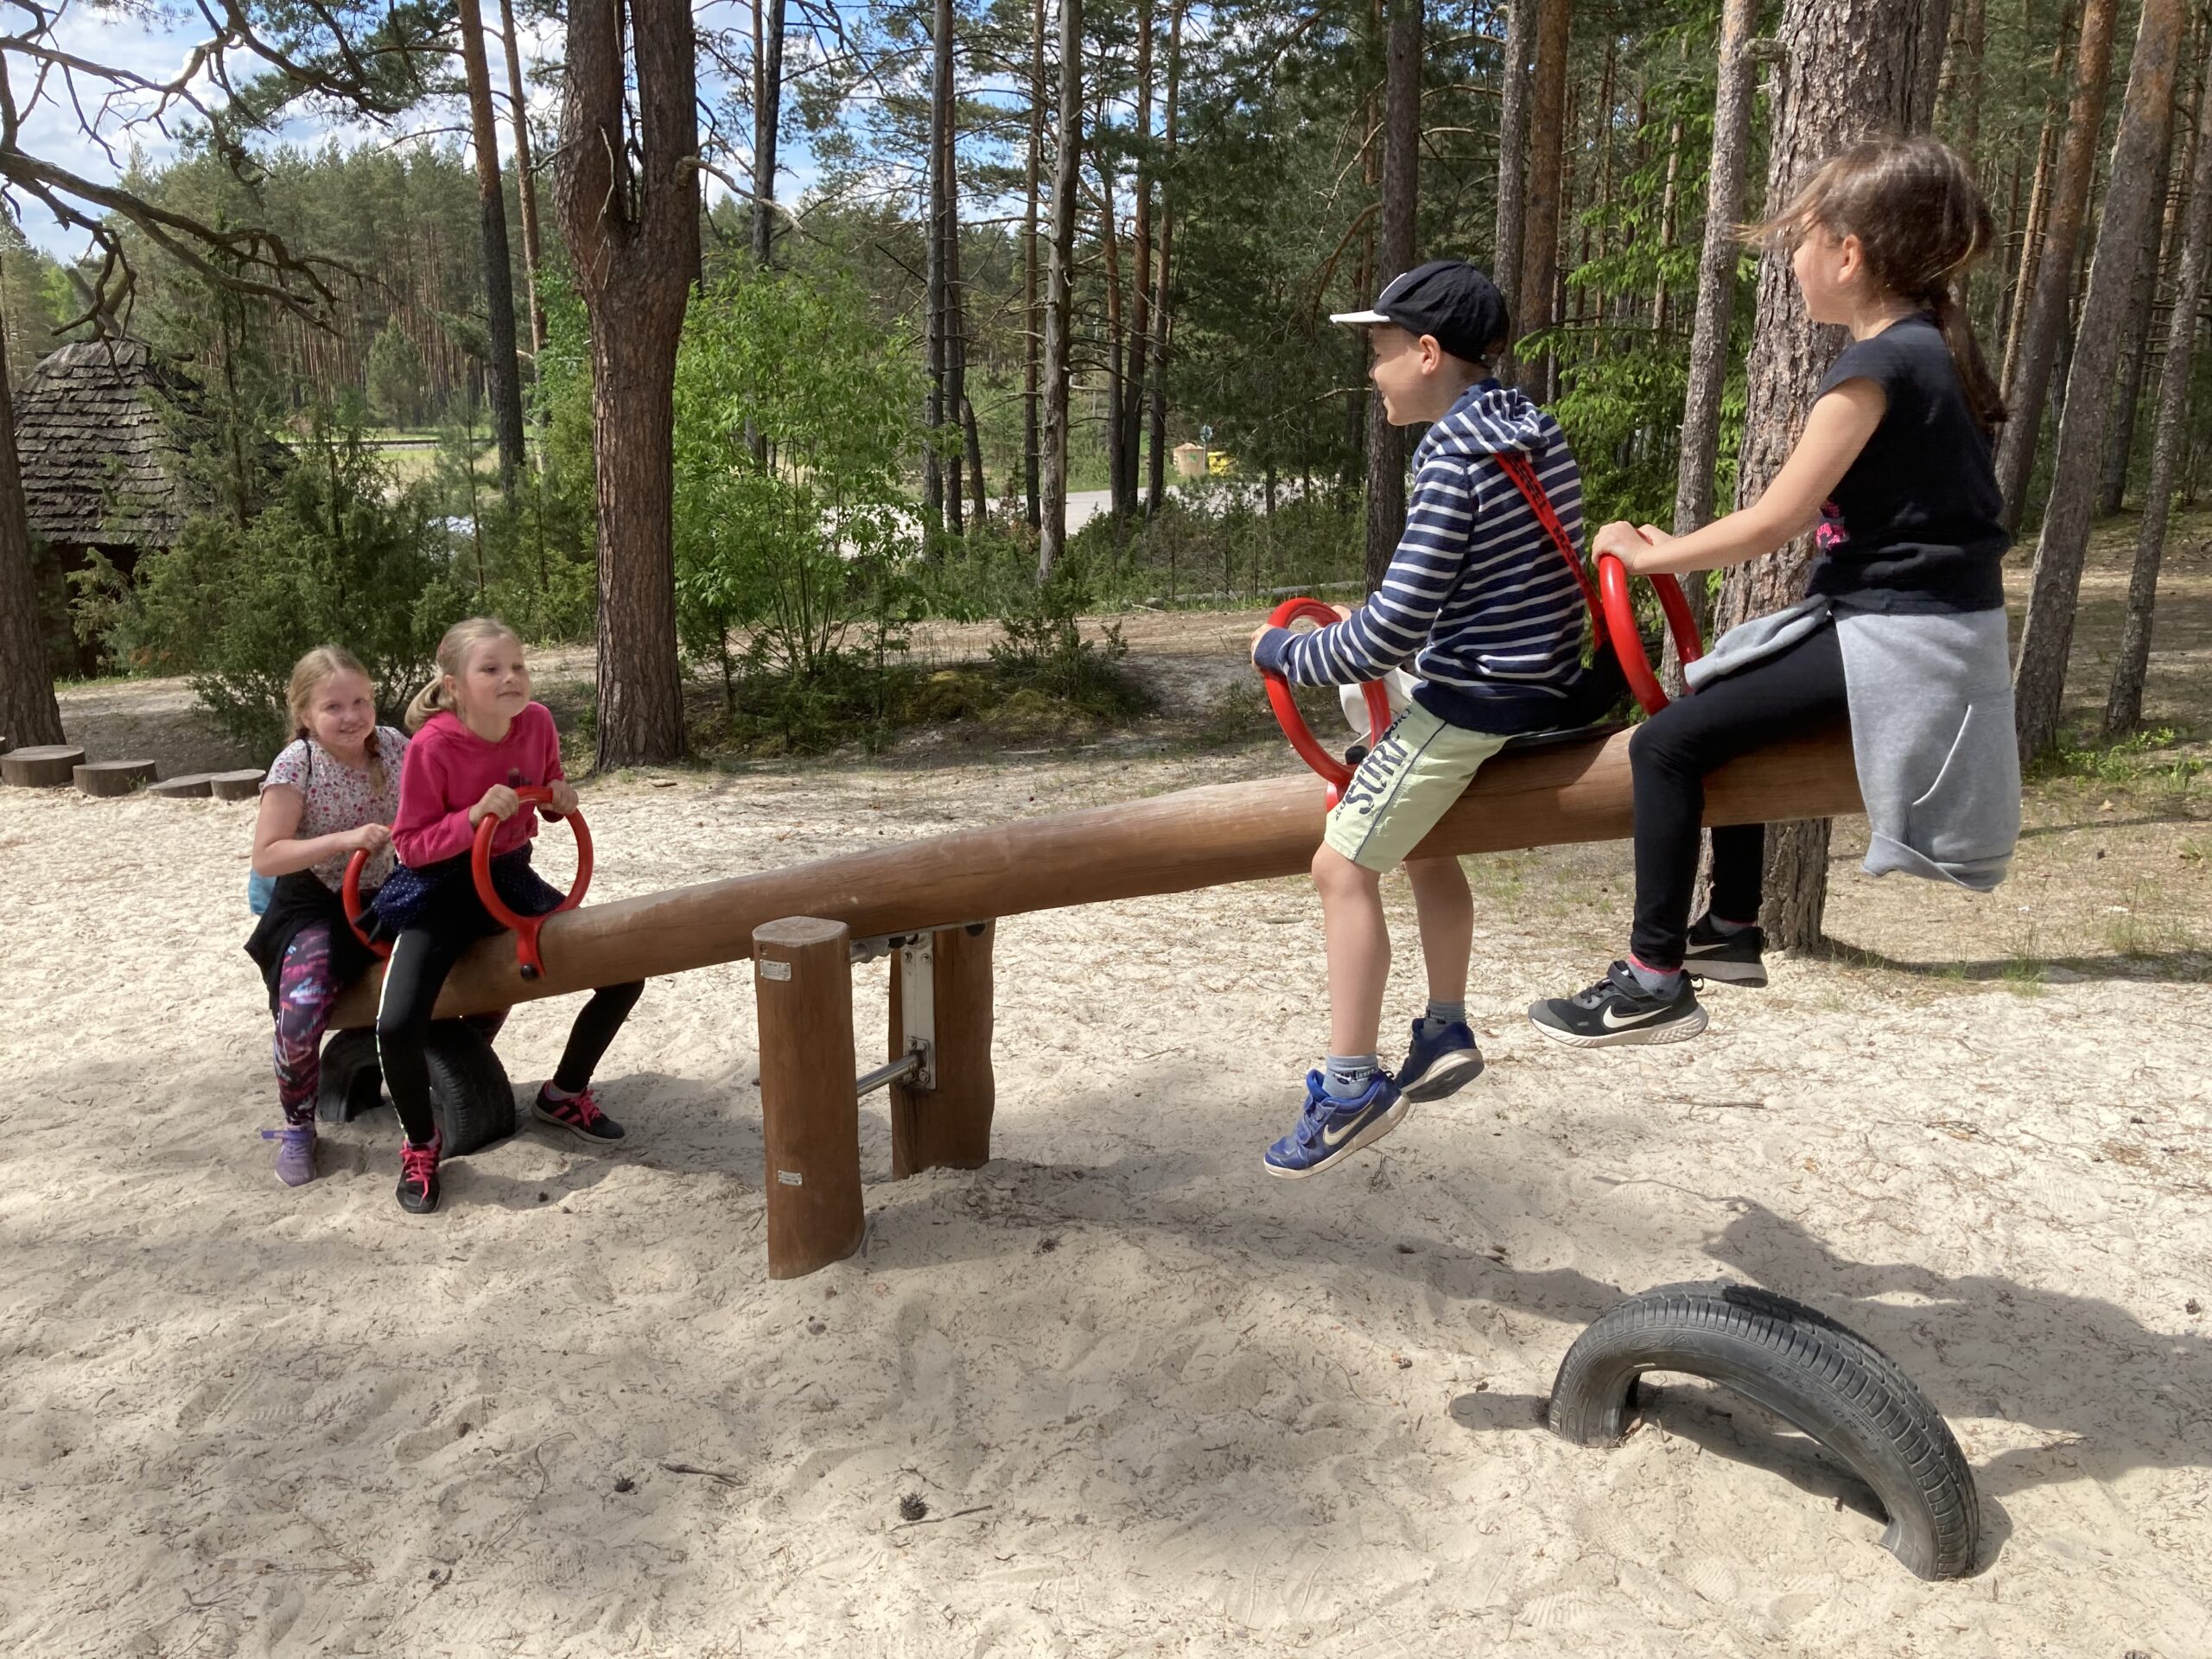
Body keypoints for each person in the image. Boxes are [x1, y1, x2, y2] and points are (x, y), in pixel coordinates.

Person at [1529, 133, 2021, 1048]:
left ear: (1849, 253)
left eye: (1800, 241)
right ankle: (1729, 925)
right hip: (1915, 626)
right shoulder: (1928, 351)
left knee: (1664, 747)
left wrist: (1647, 556)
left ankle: (1652, 981)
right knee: (1719, 687)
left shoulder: (1878, 368)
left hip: (1903, 634)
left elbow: (1774, 521)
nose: (1790, 262)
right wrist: (1670, 551)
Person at [1249, 258, 1611, 1178]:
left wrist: (1284, 653)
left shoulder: (1450, 460)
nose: (1371, 372)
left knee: (1339, 865)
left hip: (1476, 698)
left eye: (1379, 352)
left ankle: (1348, 1088)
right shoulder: (1529, 427)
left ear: (1426, 353)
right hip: (1543, 678)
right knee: (1417, 839)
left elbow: (1389, 631)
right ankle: (1444, 1027)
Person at [373, 618, 645, 1214]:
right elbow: (411, 845)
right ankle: (420, 1144)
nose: (510, 677)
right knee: (396, 1025)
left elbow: (546, 793)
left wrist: (559, 798)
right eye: (491, 669)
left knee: (624, 972)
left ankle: (564, 1093)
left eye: (518, 666)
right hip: (440, 885)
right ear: (454, 686)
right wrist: (470, 817)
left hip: (508, 876)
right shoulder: (433, 746)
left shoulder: (537, 722)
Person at [245, 647, 409, 1187]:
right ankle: (297, 1127)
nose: (351, 716)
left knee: (476, 959)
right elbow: (267, 855)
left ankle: (448, 1069)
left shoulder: (393, 745)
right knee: (299, 1018)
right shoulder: (299, 763)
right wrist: (342, 840)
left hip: (383, 894)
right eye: (333, 706)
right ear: (305, 714)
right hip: (315, 903)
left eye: (360, 701)